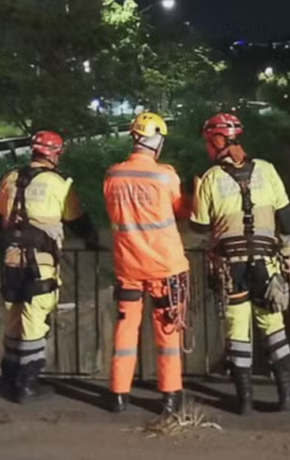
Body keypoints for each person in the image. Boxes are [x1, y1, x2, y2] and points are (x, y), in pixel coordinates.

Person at [190, 113, 290, 415]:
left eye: (208, 142)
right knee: (273, 327)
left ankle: (243, 401)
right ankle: (287, 396)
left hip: (231, 268)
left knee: (237, 329)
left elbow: (200, 227)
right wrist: (287, 251)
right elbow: (288, 218)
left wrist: (193, 195)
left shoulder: (210, 179)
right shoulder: (267, 171)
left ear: (217, 141)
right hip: (266, 265)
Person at [0, 130, 99, 403]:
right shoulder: (59, 183)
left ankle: (10, 378)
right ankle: (27, 383)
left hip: (10, 258)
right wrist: (93, 241)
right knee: (35, 319)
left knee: (14, 317)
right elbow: (78, 221)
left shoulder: (11, 178)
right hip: (41, 263)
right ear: (55, 154)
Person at [103, 112, 190, 414]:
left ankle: (118, 394)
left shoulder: (113, 175)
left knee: (126, 329)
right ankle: (170, 395)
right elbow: (181, 210)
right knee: (167, 331)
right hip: (165, 267)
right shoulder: (164, 175)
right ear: (157, 140)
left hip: (128, 266)